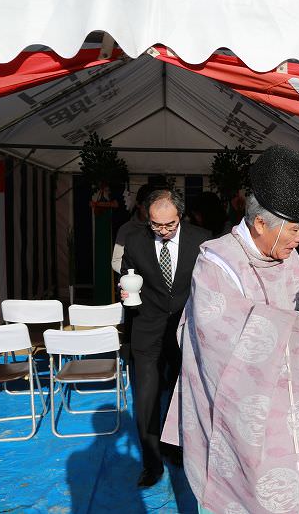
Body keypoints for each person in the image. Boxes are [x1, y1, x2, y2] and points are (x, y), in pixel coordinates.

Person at [162, 145, 299, 514]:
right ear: (260, 224)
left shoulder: (286, 256)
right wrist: (296, 328)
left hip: (290, 406)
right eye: (296, 229)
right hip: (240, 413)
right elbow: (217, 334)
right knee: (242, 494)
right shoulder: (216, 262)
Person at [120, 189, 211, 487]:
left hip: (185, 330)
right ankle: (151, 463)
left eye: (169, 225)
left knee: (179, 395)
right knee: (145, 399)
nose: (163, 231)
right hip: (146, 330)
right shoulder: (134, 241)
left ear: (180, 217)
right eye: (156, 225)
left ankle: (176, 449)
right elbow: (127, 276)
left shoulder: (202, 239)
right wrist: (124, 293)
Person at [112, 183, 155, 274]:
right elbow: (116, 261)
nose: (150, 209)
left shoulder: (162, 228)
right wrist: (132, 275)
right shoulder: (126, 229)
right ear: (138, 204)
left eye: (154, 205)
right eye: (146, 205)